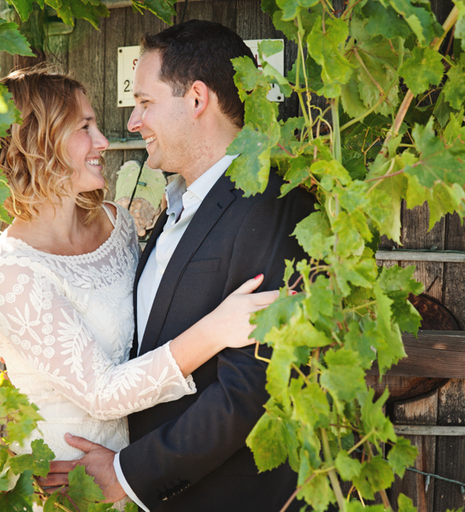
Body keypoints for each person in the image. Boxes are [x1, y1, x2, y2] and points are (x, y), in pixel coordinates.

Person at [0, 68, 280, 510]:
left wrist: (132, 468)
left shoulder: (115, 223)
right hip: (69, 485)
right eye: (83, 128)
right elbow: (101, 392)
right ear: (37, 143)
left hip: (136, 473)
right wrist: (217, 330)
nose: (104, 142)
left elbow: (151, 330)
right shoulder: (10, 272)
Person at [42, 20, 316, 512]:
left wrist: (127, 474)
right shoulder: (181, 203)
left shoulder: (272, 204)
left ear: (196, 100)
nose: (131, 122)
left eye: (145, 103)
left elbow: (251, 391)